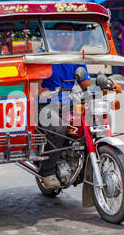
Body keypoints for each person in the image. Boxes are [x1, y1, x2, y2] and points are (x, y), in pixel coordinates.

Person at [38, 23, 92, 189]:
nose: (66, 37)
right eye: (61, 34)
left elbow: (85, 84)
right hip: (44, 104)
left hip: (68, 102)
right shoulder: (43, 55)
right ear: (53, 36)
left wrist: (97, 91)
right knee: (59, 129)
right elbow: (36, 84)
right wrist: (43, 92)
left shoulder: (75, 56)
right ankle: (47, 172)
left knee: (90, 123)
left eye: (69, 34)